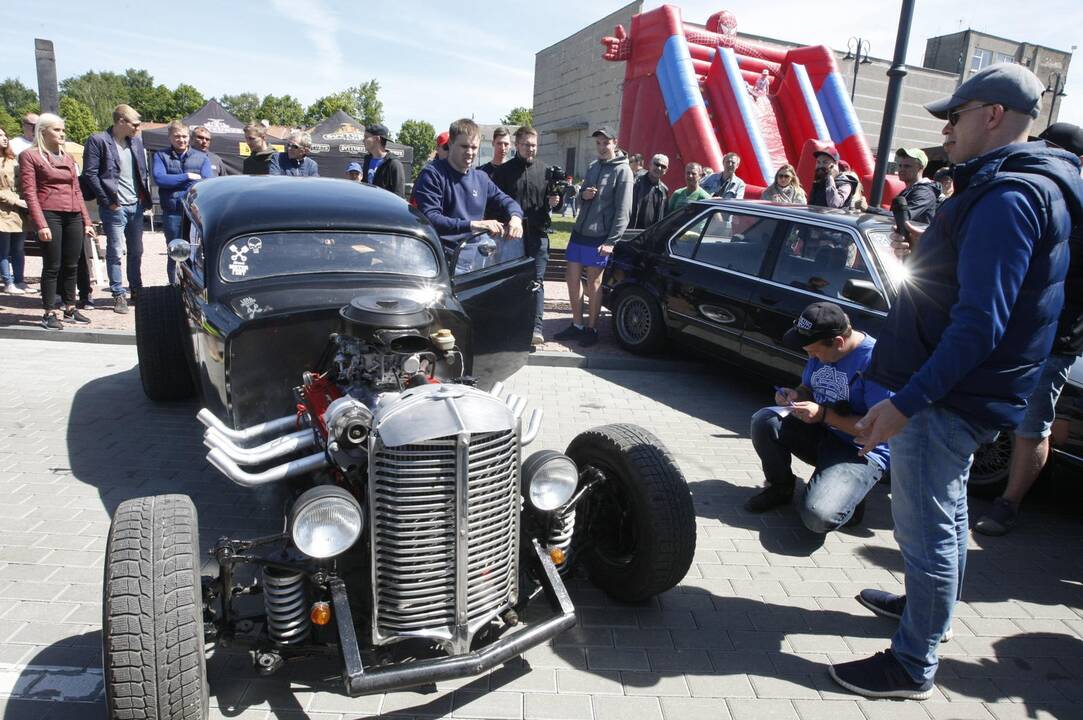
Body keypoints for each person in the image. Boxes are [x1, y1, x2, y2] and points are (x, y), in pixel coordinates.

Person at [833, 63, 1083, 700]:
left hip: (947, 395)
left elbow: (980, 324)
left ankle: (912, 664)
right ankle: (923, 610)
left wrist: (907, 402)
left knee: (929, 527)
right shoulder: (1013, 187)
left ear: (992, 116)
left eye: (955, 116)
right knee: (937, 521)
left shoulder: (1010, 196)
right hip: (958, 388)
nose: (944, 130)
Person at [974, 121, 1083, 536]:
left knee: (1031, 425)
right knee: (979, 406)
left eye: (1056, 150)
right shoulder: (1034, 195)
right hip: (1010, 330)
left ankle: (1008, 504)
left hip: (1056, 340)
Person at [745, 302, 892, 532]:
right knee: (764, 421)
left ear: (839, 342)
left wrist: (823, 414)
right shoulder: (822, 348)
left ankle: (851, 497)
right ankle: (781, 487)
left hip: (861, 450)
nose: (811, 356)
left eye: (814, 352)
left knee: (817, 518)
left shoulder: (877, 362)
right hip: (823, 431)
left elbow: (878, 430)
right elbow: (808, 386)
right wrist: (796, 394)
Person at [552, 126, 633, 348]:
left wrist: (611, 241)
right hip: (579, 233)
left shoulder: (623, 171)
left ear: (615, 142)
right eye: (598, 143)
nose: (601, 147)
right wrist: (584, 195)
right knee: (571, 278)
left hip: (600, 238)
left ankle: (592, 328)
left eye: (605, 143)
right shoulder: (592, 167)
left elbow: (623, 211)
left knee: (594, 283)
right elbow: (580, 199)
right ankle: (577, 325)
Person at [18, 113, 96, 330]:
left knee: (72, 263)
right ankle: (49, 311)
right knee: (53, 265)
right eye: (56, 130)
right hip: (49, 213)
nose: (61, 134)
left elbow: (77, 190)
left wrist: (86, 221)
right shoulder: (29, 156)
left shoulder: (68, 157)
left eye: (62, 130)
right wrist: (40, 223)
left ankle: (70, 307)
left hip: (73, 214)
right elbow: (30, 193)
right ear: (43, 131)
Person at [412, 118, 523, 258]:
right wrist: (474, 225)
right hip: (441, 258)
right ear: (451, 144)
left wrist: (516, 219)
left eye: (474, 147)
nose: (470, 152)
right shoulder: (432, 174)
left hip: (475, 259)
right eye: (464, 146)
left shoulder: (481, 178)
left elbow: (506, 201)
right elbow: (430, 218)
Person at [491, 126, 561, 346]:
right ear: (517, 145)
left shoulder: (545, 170)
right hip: (512, 237)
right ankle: (511, 326)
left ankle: (536, 328)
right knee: (512, 282)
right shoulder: (503, 172)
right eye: (527, 145)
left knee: (537, 282)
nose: (531, 149)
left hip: (538, 235)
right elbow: (495, 205)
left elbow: (555, 205)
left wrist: (555, 202)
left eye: (534, 145)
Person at [82, 104, 151, 314]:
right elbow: (90, 174)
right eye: (135, 124)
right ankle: (118, 293)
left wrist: (143, 199)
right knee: (115, 251)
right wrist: (107, 200)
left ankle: (136, 289)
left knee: (137, 251)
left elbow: (141, 172)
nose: (138, 128)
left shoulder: (136, 142)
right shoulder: (98, 140)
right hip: (114, 207)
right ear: (121, 121)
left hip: (135, 206)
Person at [153, 120, 212, 286]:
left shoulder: (202, 158)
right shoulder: (160, 156)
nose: (181, 140)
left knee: (195, 251)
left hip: (194, 214)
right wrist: (187, 177)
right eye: (177, 136)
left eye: (184, 136)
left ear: (189, 137)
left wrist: (174, 182)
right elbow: (159, 179)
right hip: (172, 212)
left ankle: (194, 286)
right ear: (170, 137)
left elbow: (206, 183)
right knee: (174, 252)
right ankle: (173, 286)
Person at [0, 128, 28, 294]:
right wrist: (15, 200)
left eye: (5, 135)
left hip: (19, 210)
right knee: (3, 249)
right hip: (4, 210)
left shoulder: (13, 159)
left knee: (18, 247)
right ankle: (8, 282)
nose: (4, 138)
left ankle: (20, 280)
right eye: (0, 136)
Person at [894, 148, 938, 223]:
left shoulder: (924, 193)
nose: (901, 169)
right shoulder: (907, 191)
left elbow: (904, 216)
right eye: (900, 165)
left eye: (907, 166)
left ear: (920, 168)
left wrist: (868, 209)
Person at [362, 123, 405, 197]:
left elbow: (399, 195)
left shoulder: (394, 164)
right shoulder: (367, 160)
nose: (363, 140)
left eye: (366, 137)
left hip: (385, 208)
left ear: (377, 139)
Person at [629, 153, 669, 229]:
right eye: (657, 164)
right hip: (631, 232)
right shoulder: (635, 183)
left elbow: (663, 216)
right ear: (650, 165)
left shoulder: (664, 191)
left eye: (663, 167)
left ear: (666, 170)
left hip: (650, 235)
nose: (659, 168)